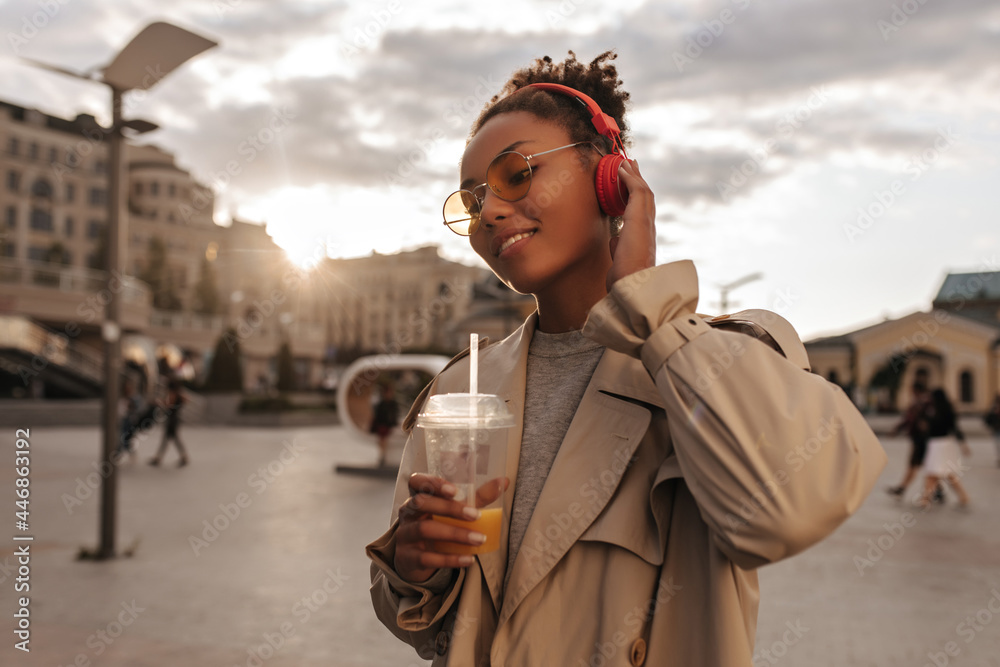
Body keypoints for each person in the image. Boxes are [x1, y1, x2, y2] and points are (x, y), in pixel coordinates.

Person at [366, 51, 887, 665]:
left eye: (515, 174)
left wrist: (651, 310)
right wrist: (410, 567)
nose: (492, 212)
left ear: (610, 177)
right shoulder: (462, 386)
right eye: (473, 201)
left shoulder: (723, 358)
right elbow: (425, 628)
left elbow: (786, 510)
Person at [885, 381, 940, 500]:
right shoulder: (917, 403)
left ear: (916, 390)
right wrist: (897, 429)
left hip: (922, 440)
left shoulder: (925, 403)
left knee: (916, 465)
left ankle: (902, 488)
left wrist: (925, 424)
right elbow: (908, 420)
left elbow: (930, 419)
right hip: (918, 438)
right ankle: (938, 491)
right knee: (929, 465)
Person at [917, 388, 971, 510]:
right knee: (946, 473)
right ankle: (963, 496)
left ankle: (925, 499)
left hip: (937, 444)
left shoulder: (934, 411)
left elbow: (928, 426)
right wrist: (963, 445)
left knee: (932, 472)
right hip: (945, 444)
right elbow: (955, 428)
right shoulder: (947, 410)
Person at [149, 379, 189, 468]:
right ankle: (183, 457)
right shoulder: (179, 393)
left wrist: (159, 402)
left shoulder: (173, 394)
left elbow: (168, 404)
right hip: (175, 418)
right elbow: (186, 400)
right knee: (172, 439)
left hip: (172, 419)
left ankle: (158, 458)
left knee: (169, 439)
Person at [371, 383, 400, 468]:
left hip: (390, 425)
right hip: (384, 426)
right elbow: (379, 418)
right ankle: (383, 456)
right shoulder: (382, 404)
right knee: (383, 437)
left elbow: (394, 416)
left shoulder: (392, 404)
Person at [116, 378, 142, 463]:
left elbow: (134, 410)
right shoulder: (122, 398)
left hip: (128, 421)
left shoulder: (133, 399)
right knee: (124, 439)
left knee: (124, 438)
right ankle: (120, 454)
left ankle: (119, 454)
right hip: (124, 420)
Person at [984, 394, 1000, 467]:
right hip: (997, 429)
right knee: (998, 445)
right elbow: (988, 418)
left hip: (996, 429)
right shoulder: (994, 408)